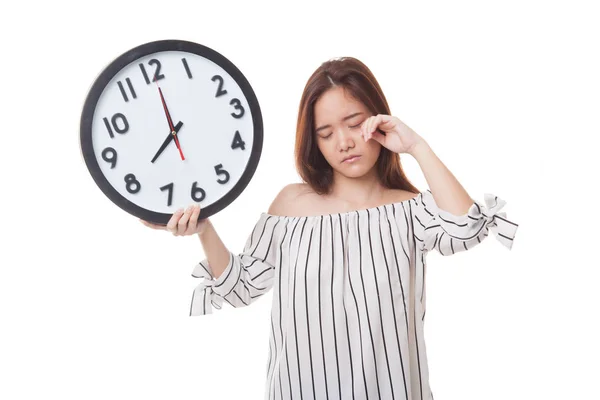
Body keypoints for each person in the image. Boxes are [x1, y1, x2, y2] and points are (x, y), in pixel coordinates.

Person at [140, 57, 519, 400]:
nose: (344, 142)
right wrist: (204, 229)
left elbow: (467, 227)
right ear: (313, 142)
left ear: (378, 120)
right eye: (325, 133)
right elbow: (238, 289)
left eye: (355, 124)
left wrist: (416, 145)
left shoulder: (408, 208)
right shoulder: (291, 206)